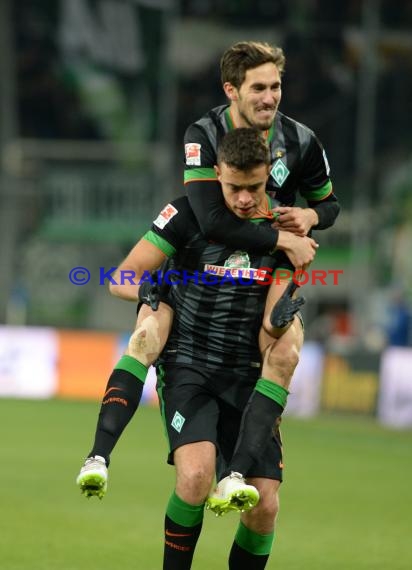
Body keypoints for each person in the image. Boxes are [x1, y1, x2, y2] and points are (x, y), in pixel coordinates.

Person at [76, 40, 338, 500]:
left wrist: (310, 219)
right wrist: (284, 239)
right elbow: (213, 220)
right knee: (150, 324)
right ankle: (98, 455)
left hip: (271, 271)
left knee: (285, 347)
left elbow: (328, 205)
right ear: (231, 90)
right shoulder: (202, 135)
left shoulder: (302, 142)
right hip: (219, 290)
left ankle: (236, 474)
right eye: (259, 87)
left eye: (276, 86)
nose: (270, 97)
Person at [107, 128, 317, 569]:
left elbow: (273, 317)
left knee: (263, 506)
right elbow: (121, 278)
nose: (244, 199)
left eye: (254, 188)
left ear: (268, 182)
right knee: (197, 476)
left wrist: (282, 319)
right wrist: (154, 290)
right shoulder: (188, 217)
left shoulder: (283, 232)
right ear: (216, 173)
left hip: (248, 375)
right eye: (234, 187)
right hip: (190, 365)